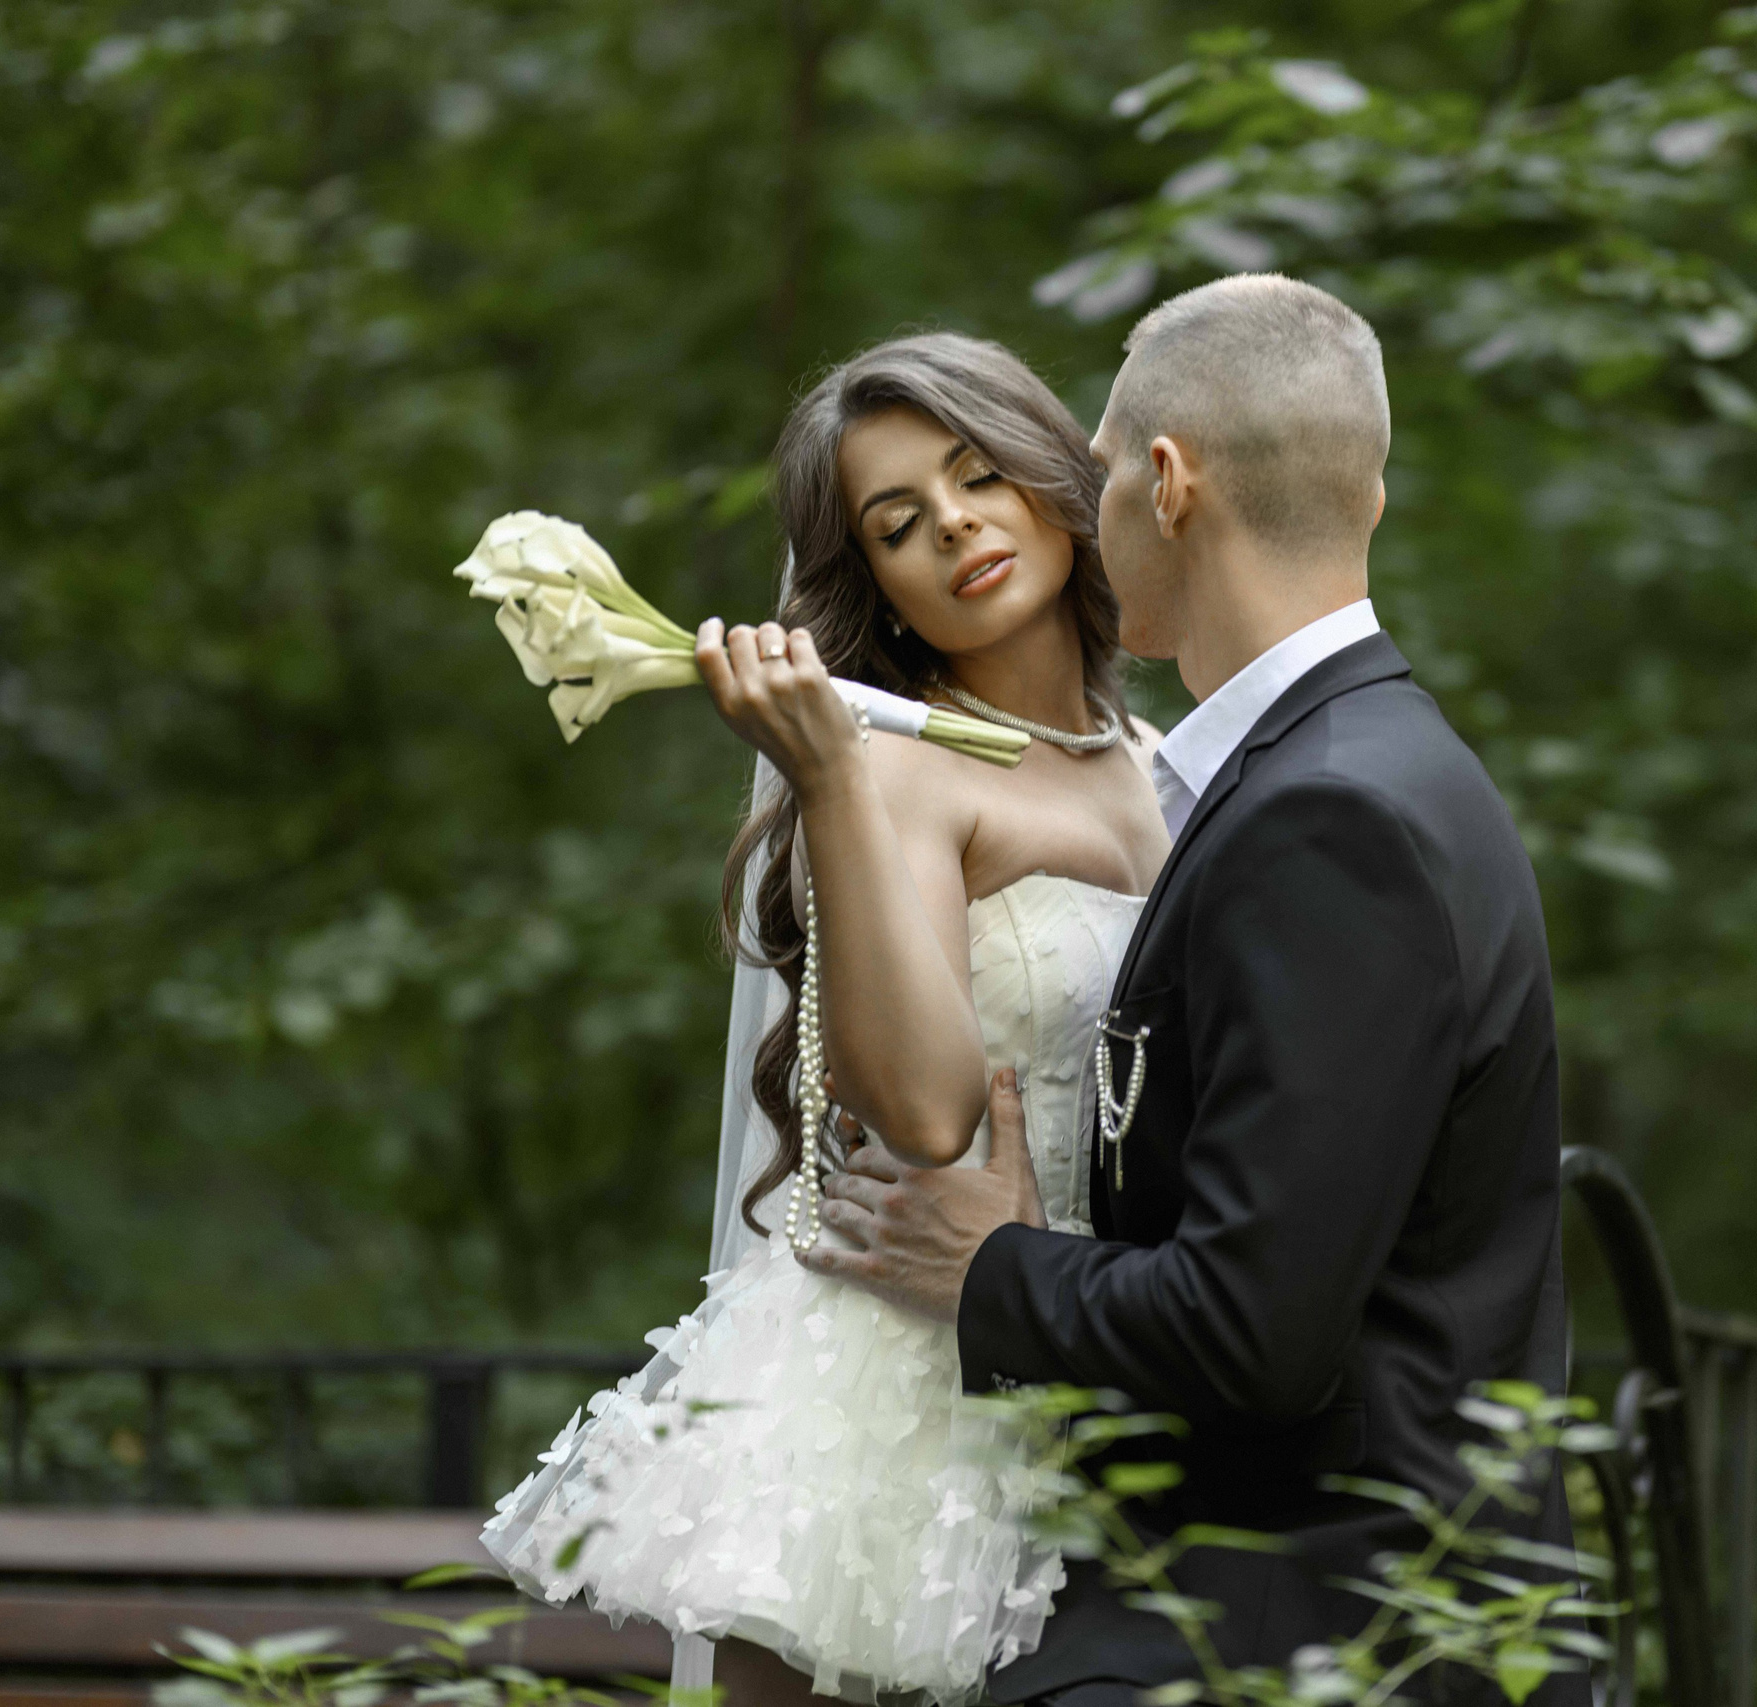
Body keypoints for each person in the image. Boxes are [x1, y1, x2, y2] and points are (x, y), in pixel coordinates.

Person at [800, 276, 1583, 1707]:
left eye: (1091, 469)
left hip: (1328, 1617)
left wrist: (990, 1268)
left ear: (1165, 485)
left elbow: (1254, 1333)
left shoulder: (1324, 820)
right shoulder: (1363, 765)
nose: (1084, 504)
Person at [480, 331, 1170, 1707]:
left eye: (979, 475)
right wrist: (835, 782)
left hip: (1099, 1341)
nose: (956, 527)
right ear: (883, 591)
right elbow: (921, 1111)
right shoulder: (893, 777)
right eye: (899, 524)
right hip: (903, 1389)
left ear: (1053, 479)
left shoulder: (1161, 766)